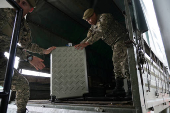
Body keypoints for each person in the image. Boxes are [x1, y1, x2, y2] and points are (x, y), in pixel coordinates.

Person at [0, 0, 56, 113]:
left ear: (30, 9)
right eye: (17, 1)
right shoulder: (3, 11)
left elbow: (27, 44)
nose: (18, 5)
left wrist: (44, 51)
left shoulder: (23, 26)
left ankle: (21, 111)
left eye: (23, 3)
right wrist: (29, 57)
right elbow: (2, 41)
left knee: (22, 85)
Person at [75, 8, 131, 98]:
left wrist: (87, 43)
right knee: (117, 65)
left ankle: (131, 90)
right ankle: (120, 89)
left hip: (121, 39)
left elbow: (100, 32)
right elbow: (89, 37)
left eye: (89, 19)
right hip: (114, 44)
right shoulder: (93, 26)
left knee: (123, 64)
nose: (88, 21)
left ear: (94, 14)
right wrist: (79, 45)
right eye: (86, 20)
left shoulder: (104, 17)